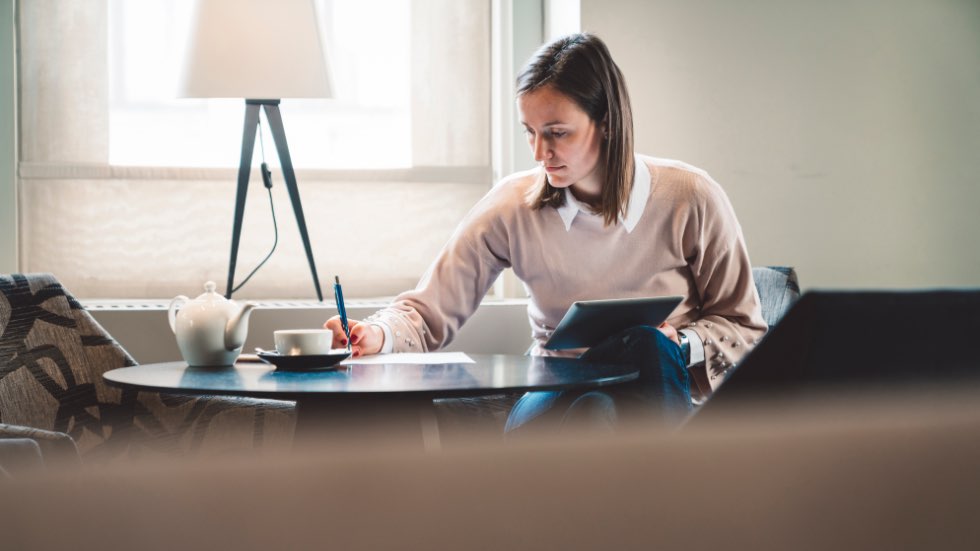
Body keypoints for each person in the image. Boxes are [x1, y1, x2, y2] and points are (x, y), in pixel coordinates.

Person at [325, 33, 767, 433]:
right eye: (530, 133)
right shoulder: (512, 206)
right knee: (596, 405)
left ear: (607, 122)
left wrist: (682, 342)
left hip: (656, 382)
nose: (540, 153)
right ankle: (671, 504)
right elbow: (427, 312)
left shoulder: (690, 197)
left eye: (557, 133)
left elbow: (745, 330)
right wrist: (376, 334)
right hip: (554, 392)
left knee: (642, 354)